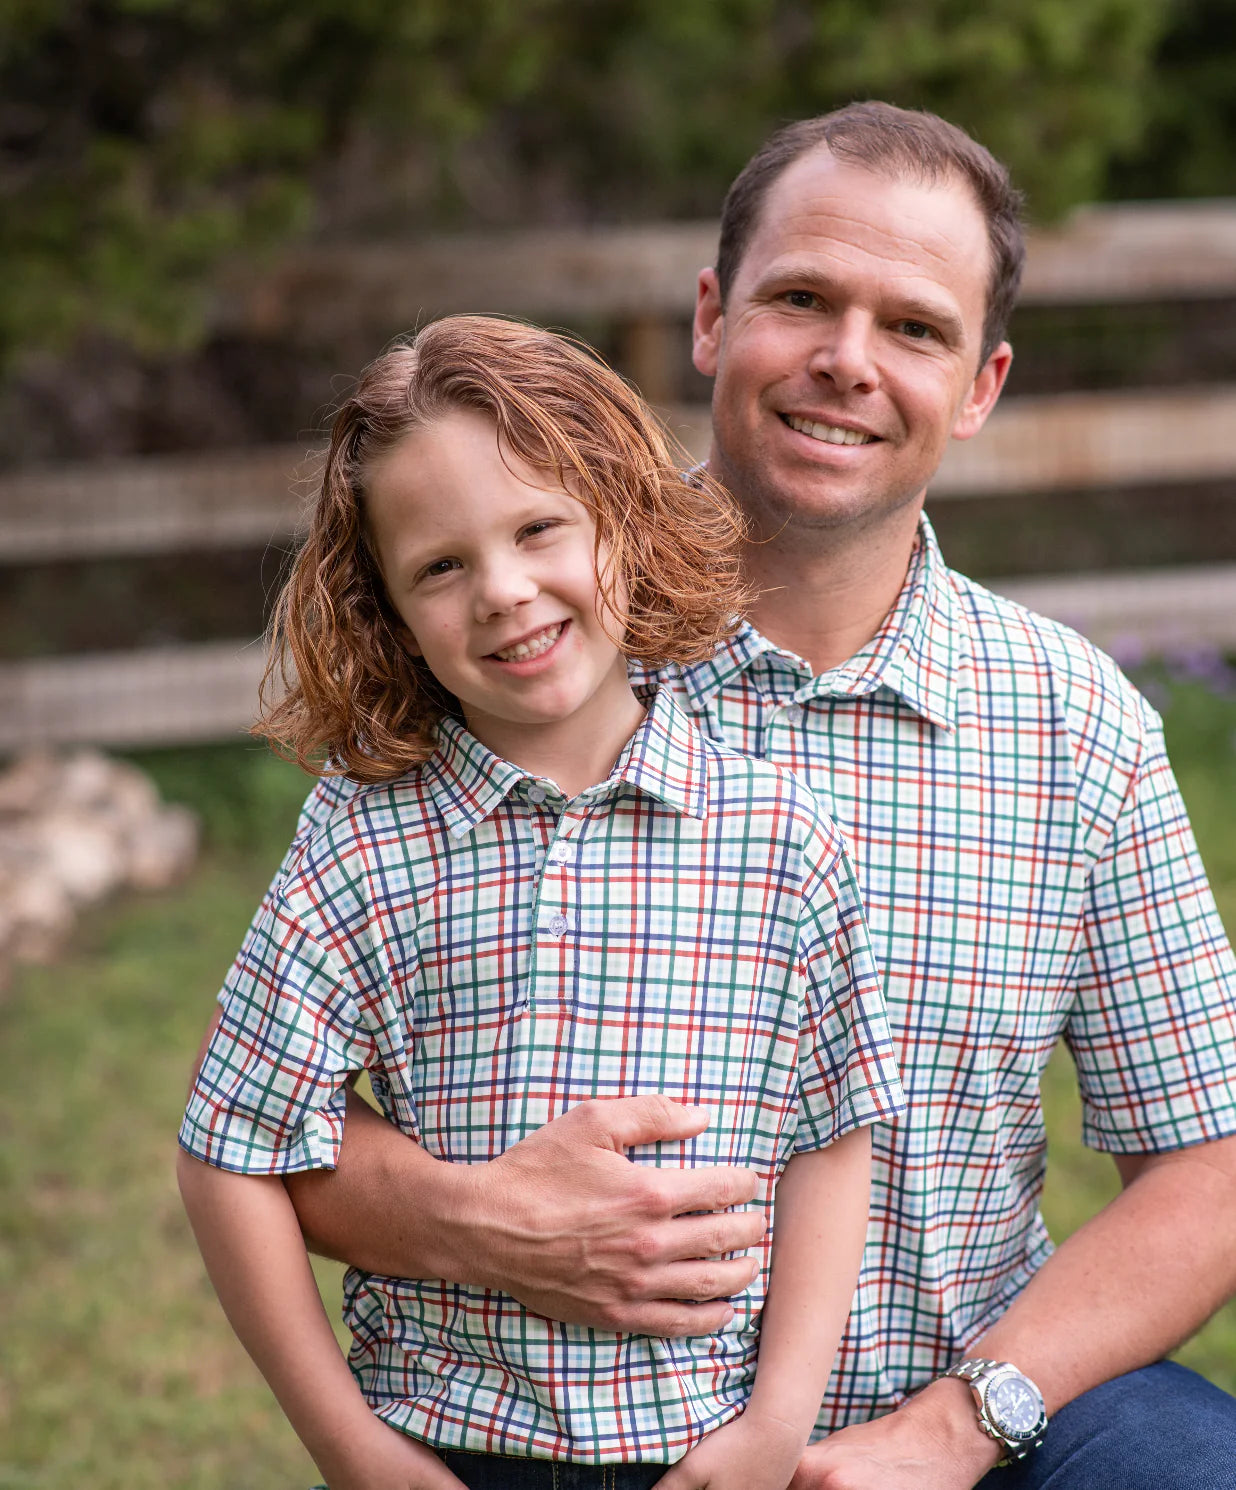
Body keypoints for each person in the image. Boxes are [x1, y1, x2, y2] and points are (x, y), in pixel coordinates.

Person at [192, 103, 1236, 1489]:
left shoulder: (1072, 722)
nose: (846, 361)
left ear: (980, 386)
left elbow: (1207, 1169)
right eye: (802, 297)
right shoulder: (523, 654)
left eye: (912, 328)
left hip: (958, 1416)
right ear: (710, 318)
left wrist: (949, 1430)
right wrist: (481, 1218)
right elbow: (260, 1128)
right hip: (569, 1424)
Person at [177, 315, 907, 1490]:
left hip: (706, 1444)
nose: (506, 592)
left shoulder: (779, 832)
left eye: (537, 529)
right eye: (442, 566)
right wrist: (353, 1448)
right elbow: (230, 1154)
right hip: (451, 1446)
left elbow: (834, 1138)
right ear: (392, 612)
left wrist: (780, 1420)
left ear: (621, 518)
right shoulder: (367, 839)